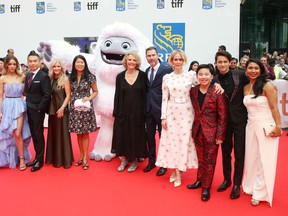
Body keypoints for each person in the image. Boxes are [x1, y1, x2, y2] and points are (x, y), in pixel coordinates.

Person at [242, 59, 282, 207]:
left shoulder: (268, 86)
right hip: (250, 126)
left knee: (265, 159)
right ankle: (251, 186)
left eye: (256, 68)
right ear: (245, 70)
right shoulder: (246, 87)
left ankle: (260, 192)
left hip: (266, 126)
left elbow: (274, 108)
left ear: (261, 70)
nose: (253, 71)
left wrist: (278, 126)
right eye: (250, 68)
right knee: (252, 158)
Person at [155, 50, 198, 187]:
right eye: (175, 59)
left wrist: (217, 85)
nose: (178, 62)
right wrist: (163, 117)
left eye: (180, 59)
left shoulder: (191, 76)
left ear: (184, 61)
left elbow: (204, 84)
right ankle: (176, 171)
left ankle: (179, 169)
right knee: (172, 142)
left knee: (184, 141)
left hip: (187, 112)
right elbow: (164, 99)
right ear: (171, 61)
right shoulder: (167, 77)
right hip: (172, 112)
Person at [187, 64, 228, 201]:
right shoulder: (193, 91)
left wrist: (220, 135)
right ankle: (199, 180)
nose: (203, 77)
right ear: (197, 76)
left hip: (212, 132)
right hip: (197, 130)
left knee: (210, 161)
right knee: (201, 159)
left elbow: (222, 116)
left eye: (206, 74)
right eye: (201, 74)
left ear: (211, 77)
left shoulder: (217, 92)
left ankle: (206, 187)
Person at [214, 51, 249, 199]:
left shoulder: (240, 75)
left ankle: (236, 184)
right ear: (216, 63)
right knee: (225, 152)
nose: (222, 64)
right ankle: (227, 179)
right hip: (223, 121)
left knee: (239, 153)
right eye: (219, 62)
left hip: (240, 119)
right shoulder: (214, 79)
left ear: (230, 62)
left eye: (224, 62)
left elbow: (254, 85)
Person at [111, 52, 148, 172]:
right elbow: (117, 95)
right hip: (123, 111)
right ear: (126, 61)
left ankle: (135, 161)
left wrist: (145, 112)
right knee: (123, 135)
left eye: (134, 60)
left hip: (138, 112)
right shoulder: (120, 76)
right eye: (129, 60)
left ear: (137, 62)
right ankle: (125, 160)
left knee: (135, 135)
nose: (131, 62)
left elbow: (146, 95)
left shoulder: (142, 76)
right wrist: (116, 112)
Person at [143, 46, 173, 176]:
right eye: (148, 56)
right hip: (148, 110)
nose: (151, 58)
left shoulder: (167, 70)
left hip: (162, 110)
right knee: (150, 137)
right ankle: (151, 161)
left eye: (153, 55)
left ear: (157, 55)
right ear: (146, 57)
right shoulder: (146, 71)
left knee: (163, 138)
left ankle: (163, 164)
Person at [0, 56, 31, 170]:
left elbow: (26, 92)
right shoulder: (2, 78)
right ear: (6, 65)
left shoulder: (22, 77)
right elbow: (0, 96)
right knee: (9, 133)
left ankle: (22, 158)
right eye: (10, 64)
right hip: (7, 106)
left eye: (14, 64)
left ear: (17, 65)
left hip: (19, 105)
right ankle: (11, 158)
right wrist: (0, 111)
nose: (12, 66)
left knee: (18, 133)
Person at [69, 55, 98, 170]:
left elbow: (95, 91)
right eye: (77, 62)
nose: (80, 64)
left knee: (85, 133)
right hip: (75, 108)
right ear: (74, 65)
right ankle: (80, 156)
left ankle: (85, 157)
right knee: (78, 133)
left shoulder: (90, 77)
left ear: (85, 64)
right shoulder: (70, 77)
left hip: (86, 108)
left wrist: (89, 98)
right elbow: (69, 92)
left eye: (82, 62)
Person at [25, 51, 51, 172]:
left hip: (37, 111)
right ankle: (37, 157)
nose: (32, 63)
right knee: (34, 135)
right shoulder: (28, 75)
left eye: (35, 61)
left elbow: (47, 95)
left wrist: (39, 108)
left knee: (39, 135)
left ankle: (40, 160)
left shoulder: (43, 76)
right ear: (28, 62)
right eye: (30, 61)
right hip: (28, 110)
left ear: (39, 62)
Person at [45, 59, 74, 168]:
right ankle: (54, 158)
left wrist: (62, 108)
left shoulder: (65, 79)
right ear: (52, 68)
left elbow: (68, 95)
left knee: (62, 134)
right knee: (53, 134)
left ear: (62, 68)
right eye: (54, 66)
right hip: (52, 110)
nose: (57, 68)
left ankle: (65, 160)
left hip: (62, 110)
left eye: (58, 66)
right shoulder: (50, 79)